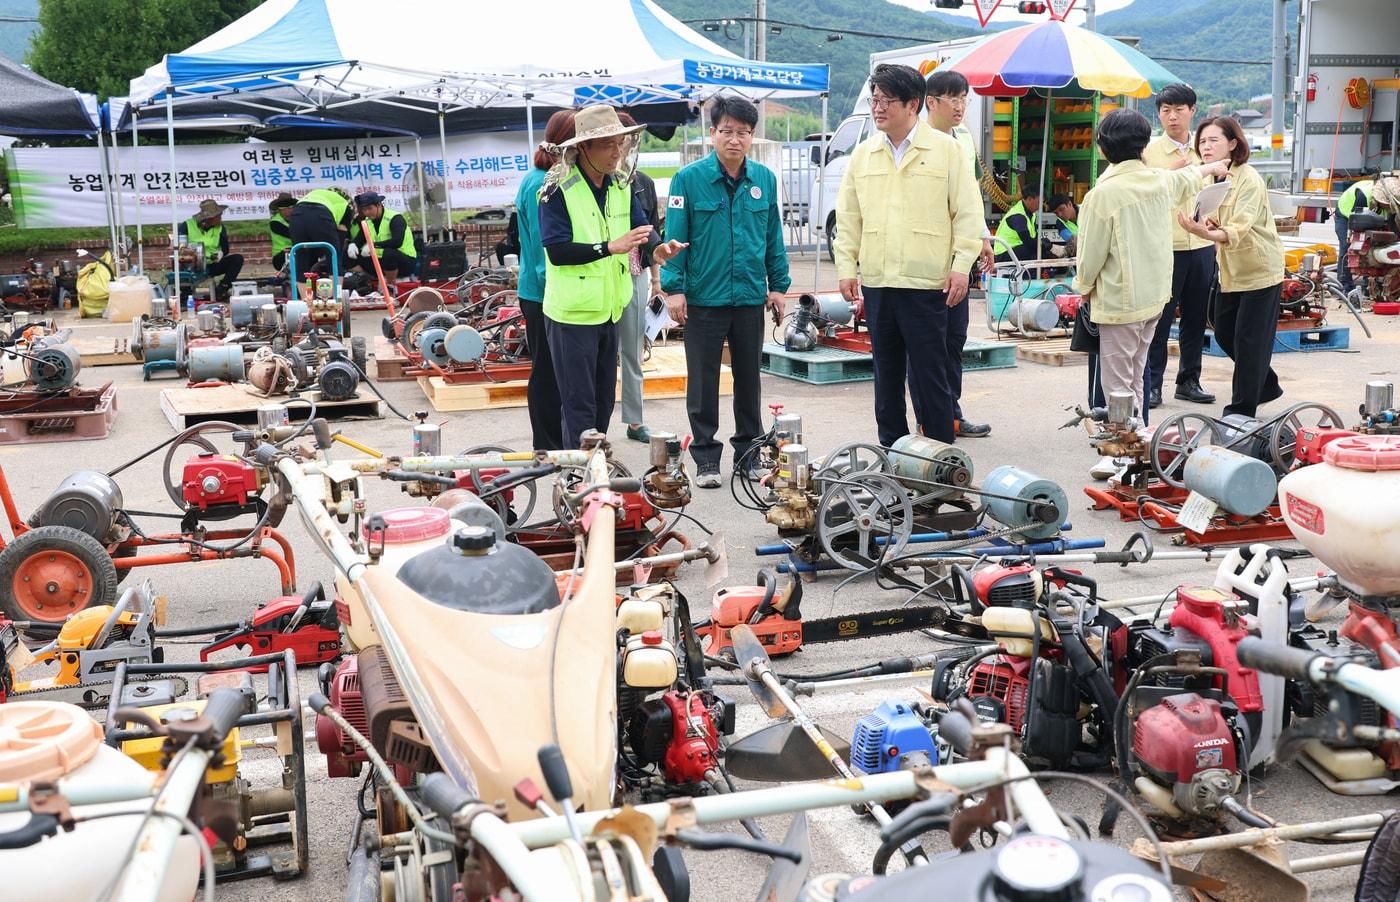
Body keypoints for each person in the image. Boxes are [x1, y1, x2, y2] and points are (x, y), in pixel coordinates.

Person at [835, 63, 983, 447]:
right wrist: (846, 267)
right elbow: (849, 216)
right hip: (880, 282)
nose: (878, 108)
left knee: (931, 377)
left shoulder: (947, 151)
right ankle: (893, 457)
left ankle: (939, 466)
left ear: (913, 104)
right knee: (885, 377)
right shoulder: (864, 154)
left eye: (887, 100)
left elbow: (967, 214)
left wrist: (961, 267)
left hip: (927, 284)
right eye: (875, 99)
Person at [1072, 109, 1224, 478]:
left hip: (1120, 300)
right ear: (1143, 145)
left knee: (1117, 382)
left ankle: (1120, 453)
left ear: (1102, 148)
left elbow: (1090, 255)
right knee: (1136, 370)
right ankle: (1138, 438)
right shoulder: (1158, 181)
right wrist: (1212, 167)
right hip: (1155, 296)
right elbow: (1188, 178)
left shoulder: (1102, 195)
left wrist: (1083, 288)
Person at [663, 95, 790, 487]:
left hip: (750, 296)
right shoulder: (688, 179)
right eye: (727, 131)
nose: (735, 139)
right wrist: (674, 289)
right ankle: (705, 458)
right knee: (702, 381)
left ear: (752, 136)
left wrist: (778, 286)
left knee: (749, 380)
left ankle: (748, 453)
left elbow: (773, 238)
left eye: (743, 132)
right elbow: (674, 238)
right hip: (703, 297)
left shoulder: (764, 180)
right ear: (713, 133)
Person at [539, 104, 683, 449]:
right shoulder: (557, 188)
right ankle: (578, 482)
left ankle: (594, 471)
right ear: (583, 147)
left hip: (609, 309)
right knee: (579, 406)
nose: (617, 152)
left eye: (621, 143)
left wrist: (658, 250)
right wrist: (609, 247)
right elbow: (557, 251)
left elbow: (640, 226)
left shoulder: (620, 183)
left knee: (603, 402)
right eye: (607, 144)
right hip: (572, 315)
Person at [1178, 116, 1286, 419]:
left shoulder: (1248, 178)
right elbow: (1222, 223)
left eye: (1213, 140)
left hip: (1260, 270)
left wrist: (1205, 233)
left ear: (1233, 143)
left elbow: (1238, 228)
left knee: (1249, 342)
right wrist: (1209, 224)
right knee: (1224, 332)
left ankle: (1240, 411)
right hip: (1232, 271)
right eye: (1202, 141)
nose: (1206, 146)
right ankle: (1265, 383)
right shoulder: (1213, 178)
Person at [924, 68, 993, 439]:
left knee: (955, 338)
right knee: (930, 342)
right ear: (931, 102)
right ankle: (931, 414)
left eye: (964, 98)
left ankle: (951, 411)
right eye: (953, 98)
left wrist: (982, 236)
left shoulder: (963, 138)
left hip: (959, 257)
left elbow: (969, 197)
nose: (961, 106)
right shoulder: (918, 140)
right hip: (929, 259)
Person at [1143, 83, 1217, 409]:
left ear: (1192, 111)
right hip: (1166, 246)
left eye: (1179, 110)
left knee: (1195, 317)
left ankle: (1189, 380)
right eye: (1165, 110)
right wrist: (1169, 172)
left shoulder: (1206, 151)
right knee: (1159, 319)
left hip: (1201, 244)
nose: (1172, 117)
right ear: (1159, 114)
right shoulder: (1149, 153)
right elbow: (1143, 194)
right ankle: (1153, 384)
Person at [514, 110, 574, 451]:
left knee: (550, 368)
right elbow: (543, 247)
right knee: (548, 371)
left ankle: (553, 440)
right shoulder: (542, 182)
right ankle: (548, 444)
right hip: (543, 291)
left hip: (540, 288)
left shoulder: (543, 176)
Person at [620, 143, 661, 444]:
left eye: (628, 143)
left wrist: (656, 281)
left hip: (637, 274)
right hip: (602, 276)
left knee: (633, 351)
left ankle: (635, 421)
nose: (621, 150)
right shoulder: (595, 184)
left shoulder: (643, 183)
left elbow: (653, 236)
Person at [349, 192, 417, 282]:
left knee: (389, 254)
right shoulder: (367, 221)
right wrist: (353, 244)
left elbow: (397, 241)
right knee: (347, 254)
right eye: (364, 210)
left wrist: (373, 245)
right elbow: (360, 238)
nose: (367, 212)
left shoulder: (395, 218)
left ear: (379, 205)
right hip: (380, 261)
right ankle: (371, 279)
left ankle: (390, 284)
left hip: (404, 261)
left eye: (370, 208)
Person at [178, 199, 243, 291]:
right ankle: (185, 291)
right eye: (218, 216)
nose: (221, 218)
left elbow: (225, 249)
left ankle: (222, 288)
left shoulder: (220, 227)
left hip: (212, 263)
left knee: (237, 259)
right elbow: (180, 247)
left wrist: (221, 253)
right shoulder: (187, 225)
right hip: (192, 265)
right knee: (179, 262)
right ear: (209, 218)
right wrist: (193, 256)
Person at [289, 186, 353, 277]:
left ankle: (305, 291)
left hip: (297, 213)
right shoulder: (345, 205)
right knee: (334, 258)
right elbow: (341, 234)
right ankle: (336, 291)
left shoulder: (317, 194)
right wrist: (336, 251)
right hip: (321, 214)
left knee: (301, 258)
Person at [1333, 177, 1374, 296]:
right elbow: (1354, 219)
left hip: (1367, 217)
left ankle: (1368, 284)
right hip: (1345, 216)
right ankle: (1344, 286)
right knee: (1347, 247)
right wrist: (1351, 235)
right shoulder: (1363, 196)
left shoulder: (1391, 201)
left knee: (1370, 246)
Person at [994, 185, 1041, 263]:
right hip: (1004, 254)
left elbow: (1035, 237)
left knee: (1040, 249)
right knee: (1034, 249)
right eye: (1039, 202)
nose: (1040, 206)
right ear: (1029, 199)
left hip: (1015, 250)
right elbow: (1028, 241)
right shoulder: (1018, 215)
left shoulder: (1031, 214)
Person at [268, 193, 296, 273]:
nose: (287, 211)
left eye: (290, 207)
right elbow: (294, 235)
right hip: (281, 256)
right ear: (278, 209)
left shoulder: (298, 218)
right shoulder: (275, 222)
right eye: (283, 208)